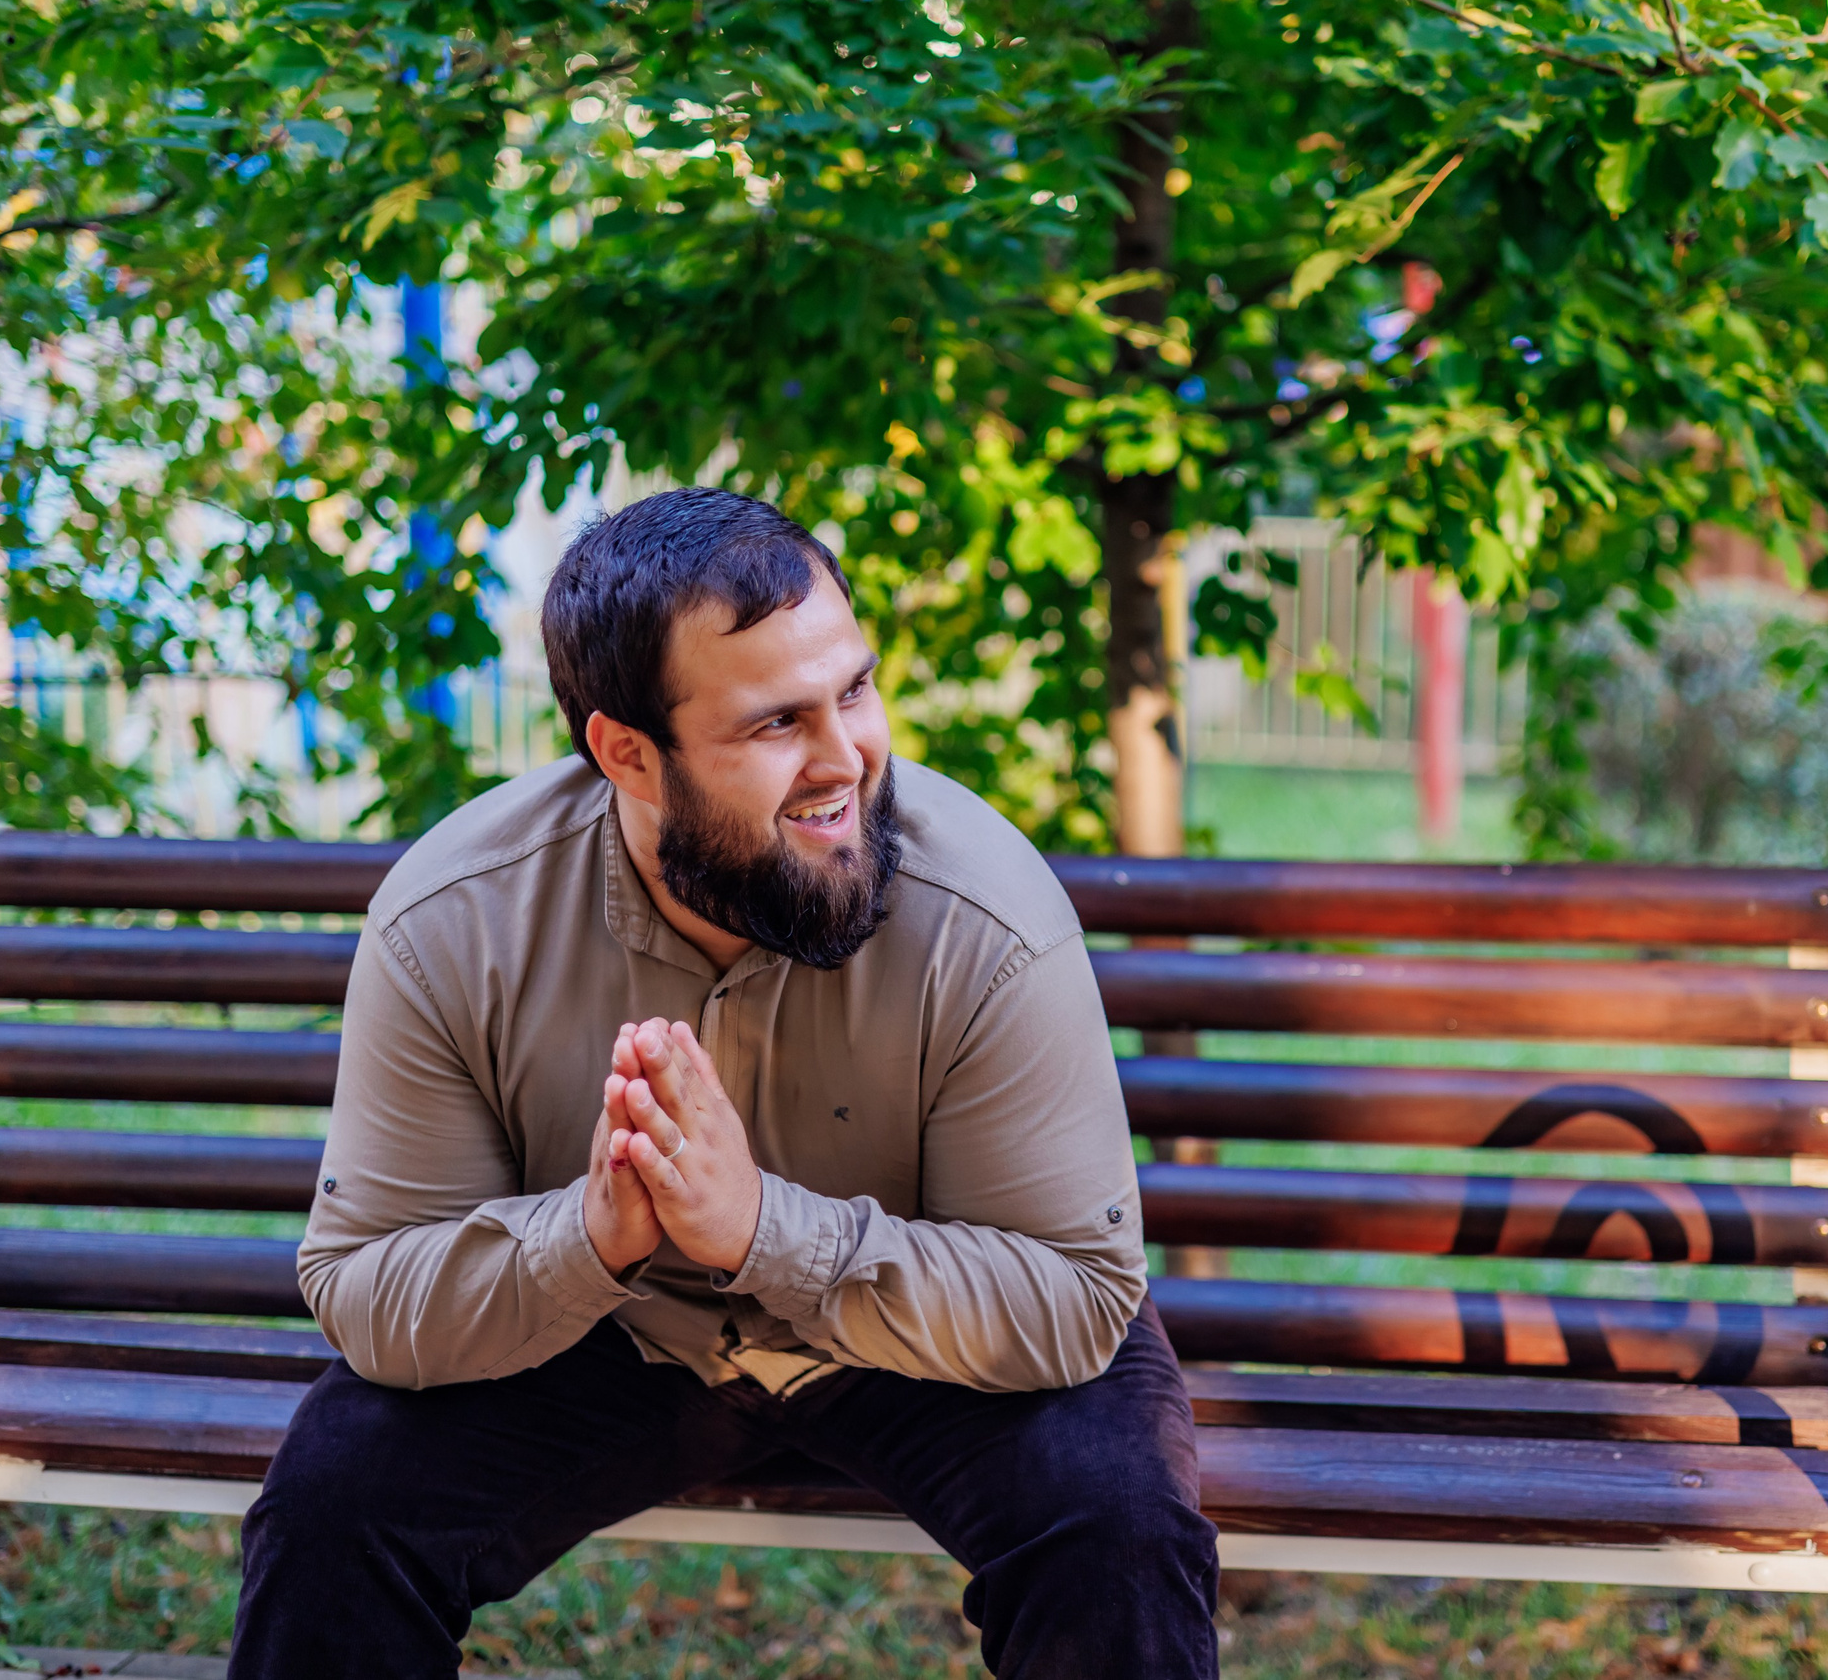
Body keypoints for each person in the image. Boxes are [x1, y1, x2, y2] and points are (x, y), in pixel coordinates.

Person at [228, 488, 1219, 1678]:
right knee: (333, 1514)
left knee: (1116, 1529)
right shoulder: (455, 922)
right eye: (775, 724)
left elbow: (1073, 1295)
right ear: (627, 754)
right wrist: (586, 1240)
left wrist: (760, 1232)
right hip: (607, 1329)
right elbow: (365, 1285)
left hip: (925, 1320)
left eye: (854, 690)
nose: (845, 760)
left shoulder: (988, 921)